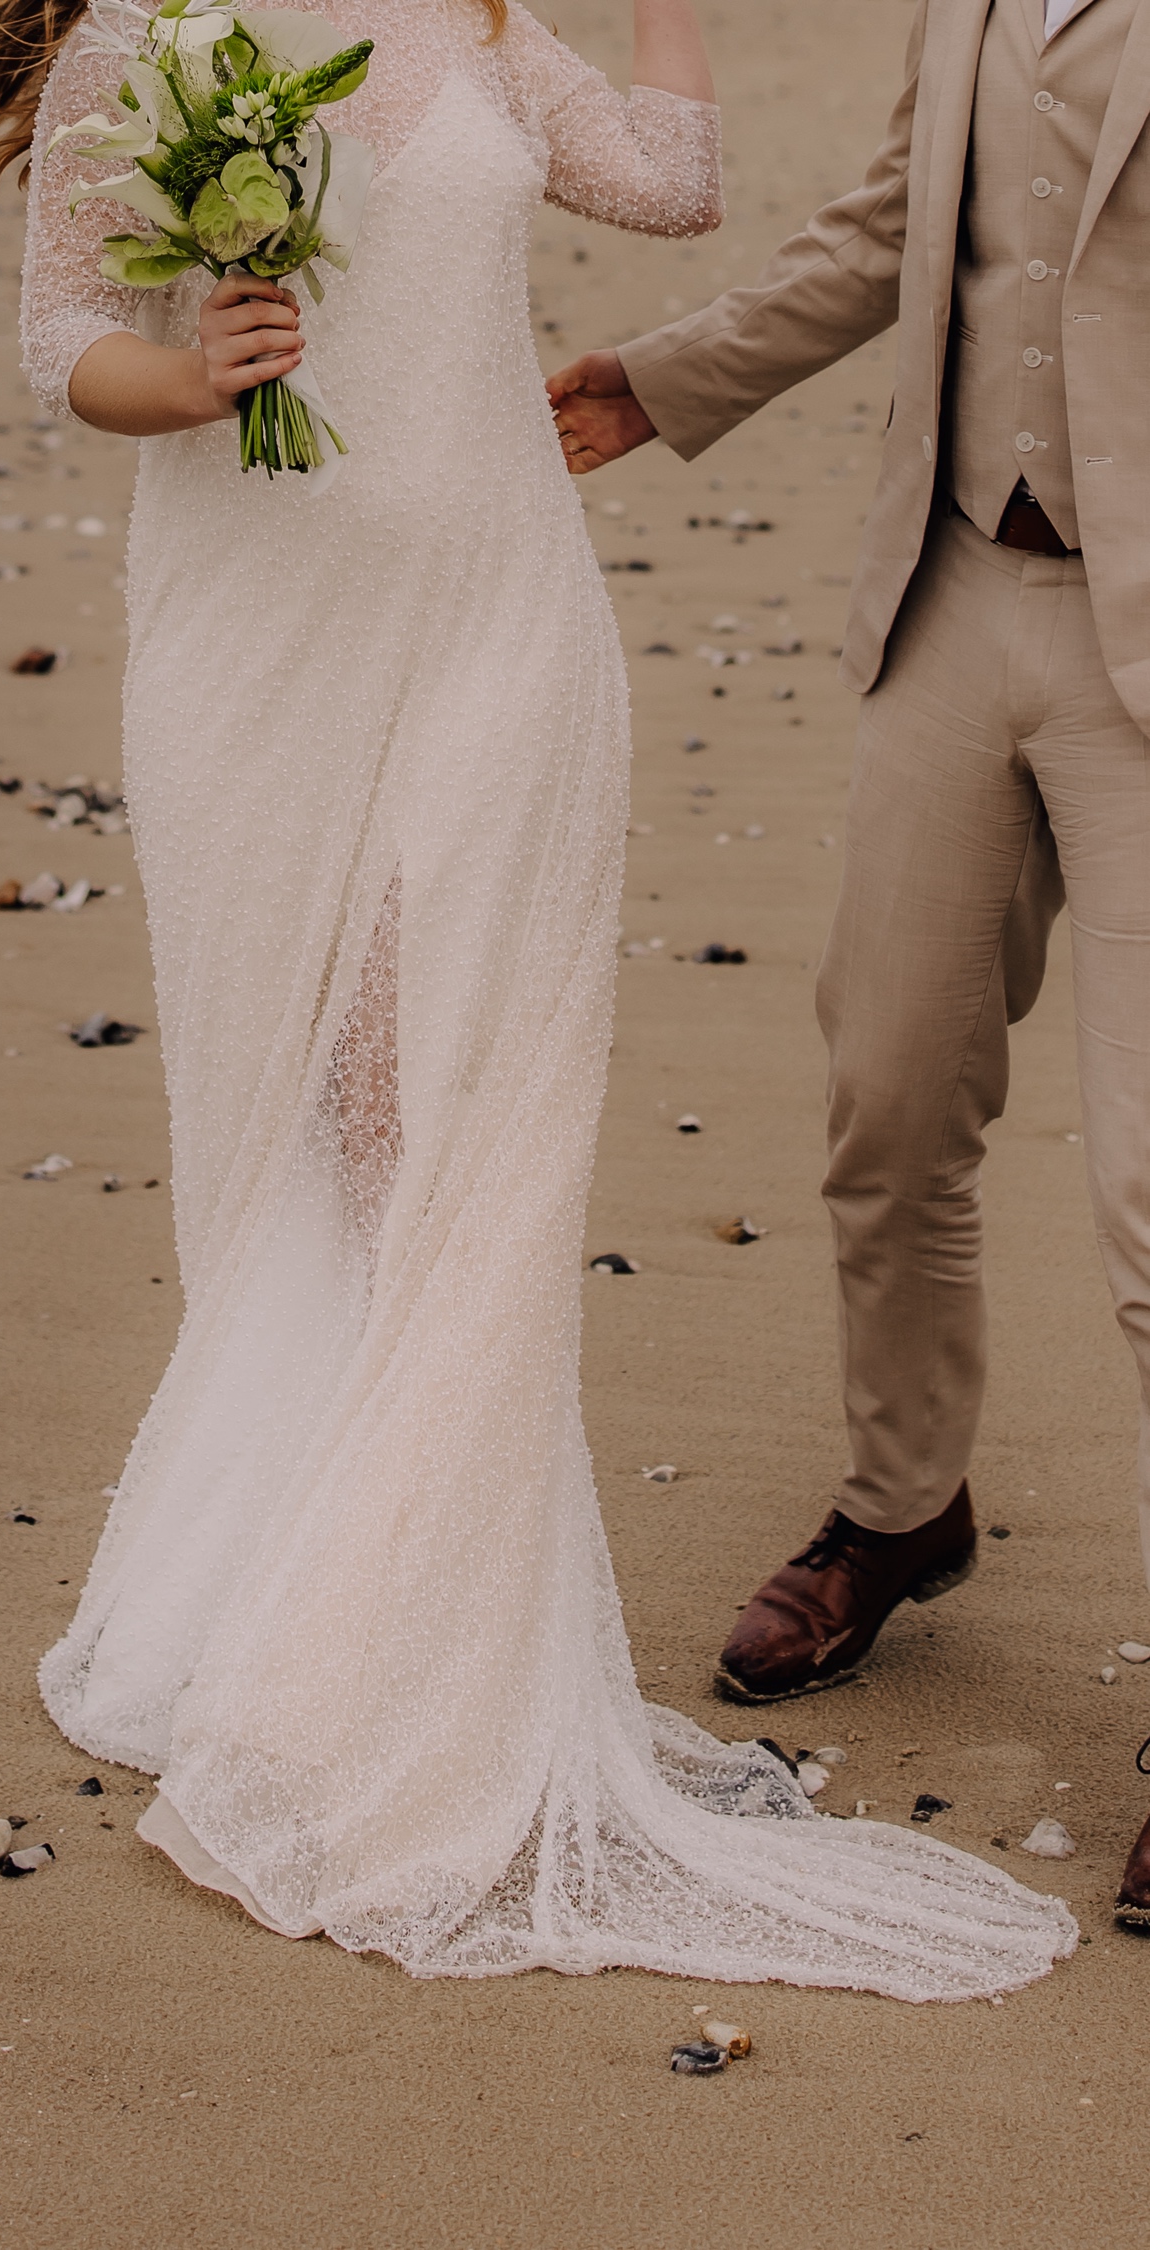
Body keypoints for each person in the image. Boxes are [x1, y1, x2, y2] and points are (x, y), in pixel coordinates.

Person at [0, 0, 1075, 1992]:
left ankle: (433, 1669)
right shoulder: (144, 48)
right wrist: (196, 373)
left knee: (475, 1129)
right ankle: (310, 1616)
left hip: (503, 627)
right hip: (258, 643)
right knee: (340, 1141)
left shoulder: (488, 23)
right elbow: (57, 340)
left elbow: (678, 195)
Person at [549, 0, 1150, 1928]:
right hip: (956, 592)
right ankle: (905, 1509)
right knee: (887, 1096)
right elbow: (898, 227)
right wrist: (666, 378)